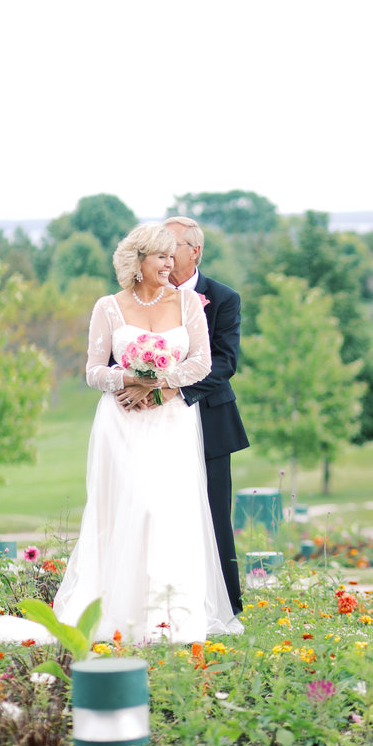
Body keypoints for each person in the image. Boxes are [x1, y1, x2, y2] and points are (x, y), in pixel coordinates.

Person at [0, 222, 243, 648]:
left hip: (171, 423)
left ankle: (169, 615)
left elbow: (203, 363)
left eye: (173, 256)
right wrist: (127, 378)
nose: (169, 263)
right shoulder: (108, 307)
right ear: (137, 261)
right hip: (121, 424)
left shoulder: (189, 303)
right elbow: (94, 371)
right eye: (160, 256)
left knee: (166, 511)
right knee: (126, 509)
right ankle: (117, 610)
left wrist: (155, 383)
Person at [150, 215, 251, 615]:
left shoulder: (223, 298)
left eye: (171, 246)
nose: (164, 255)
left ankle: (226, 604)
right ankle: (163, 603)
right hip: (151, 423)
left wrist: (177, 389)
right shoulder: (144, 296)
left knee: (213, 514)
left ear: (195, 251)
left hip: (208, 418)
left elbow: (225, 362)